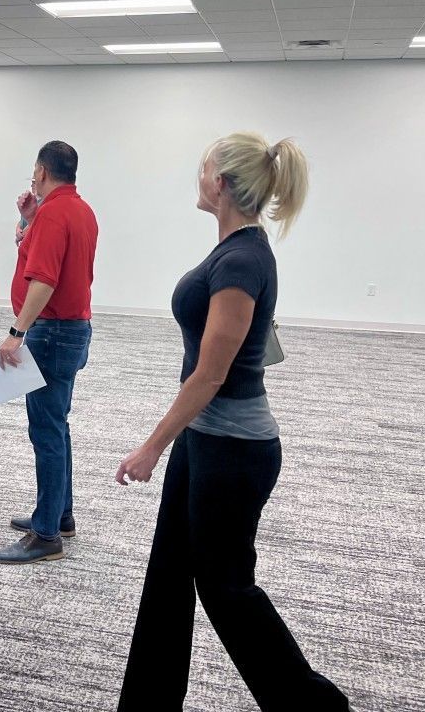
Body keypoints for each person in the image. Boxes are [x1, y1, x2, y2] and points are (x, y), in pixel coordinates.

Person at [115, 133, 348, 711]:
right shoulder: (236, 250)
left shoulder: (243, 261)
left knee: (226, 590)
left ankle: (316, 708)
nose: (197, 176)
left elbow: (211, 375)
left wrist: (150, 447)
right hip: (206, 441)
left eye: (202, 168)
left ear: (220, 183)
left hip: (235, 451)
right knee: (169, 574)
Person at [0, 141, 97, 565]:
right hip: (71, 330)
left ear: (40, 171)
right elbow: (42, 253)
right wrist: (27, 218)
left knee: (46, 431)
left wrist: (17, 331)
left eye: (33, 170)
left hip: (51, 332)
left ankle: (46, 534)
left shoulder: (55, 214)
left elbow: (45, 280)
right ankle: (59, 514)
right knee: (58, 424)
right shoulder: (79, 210)